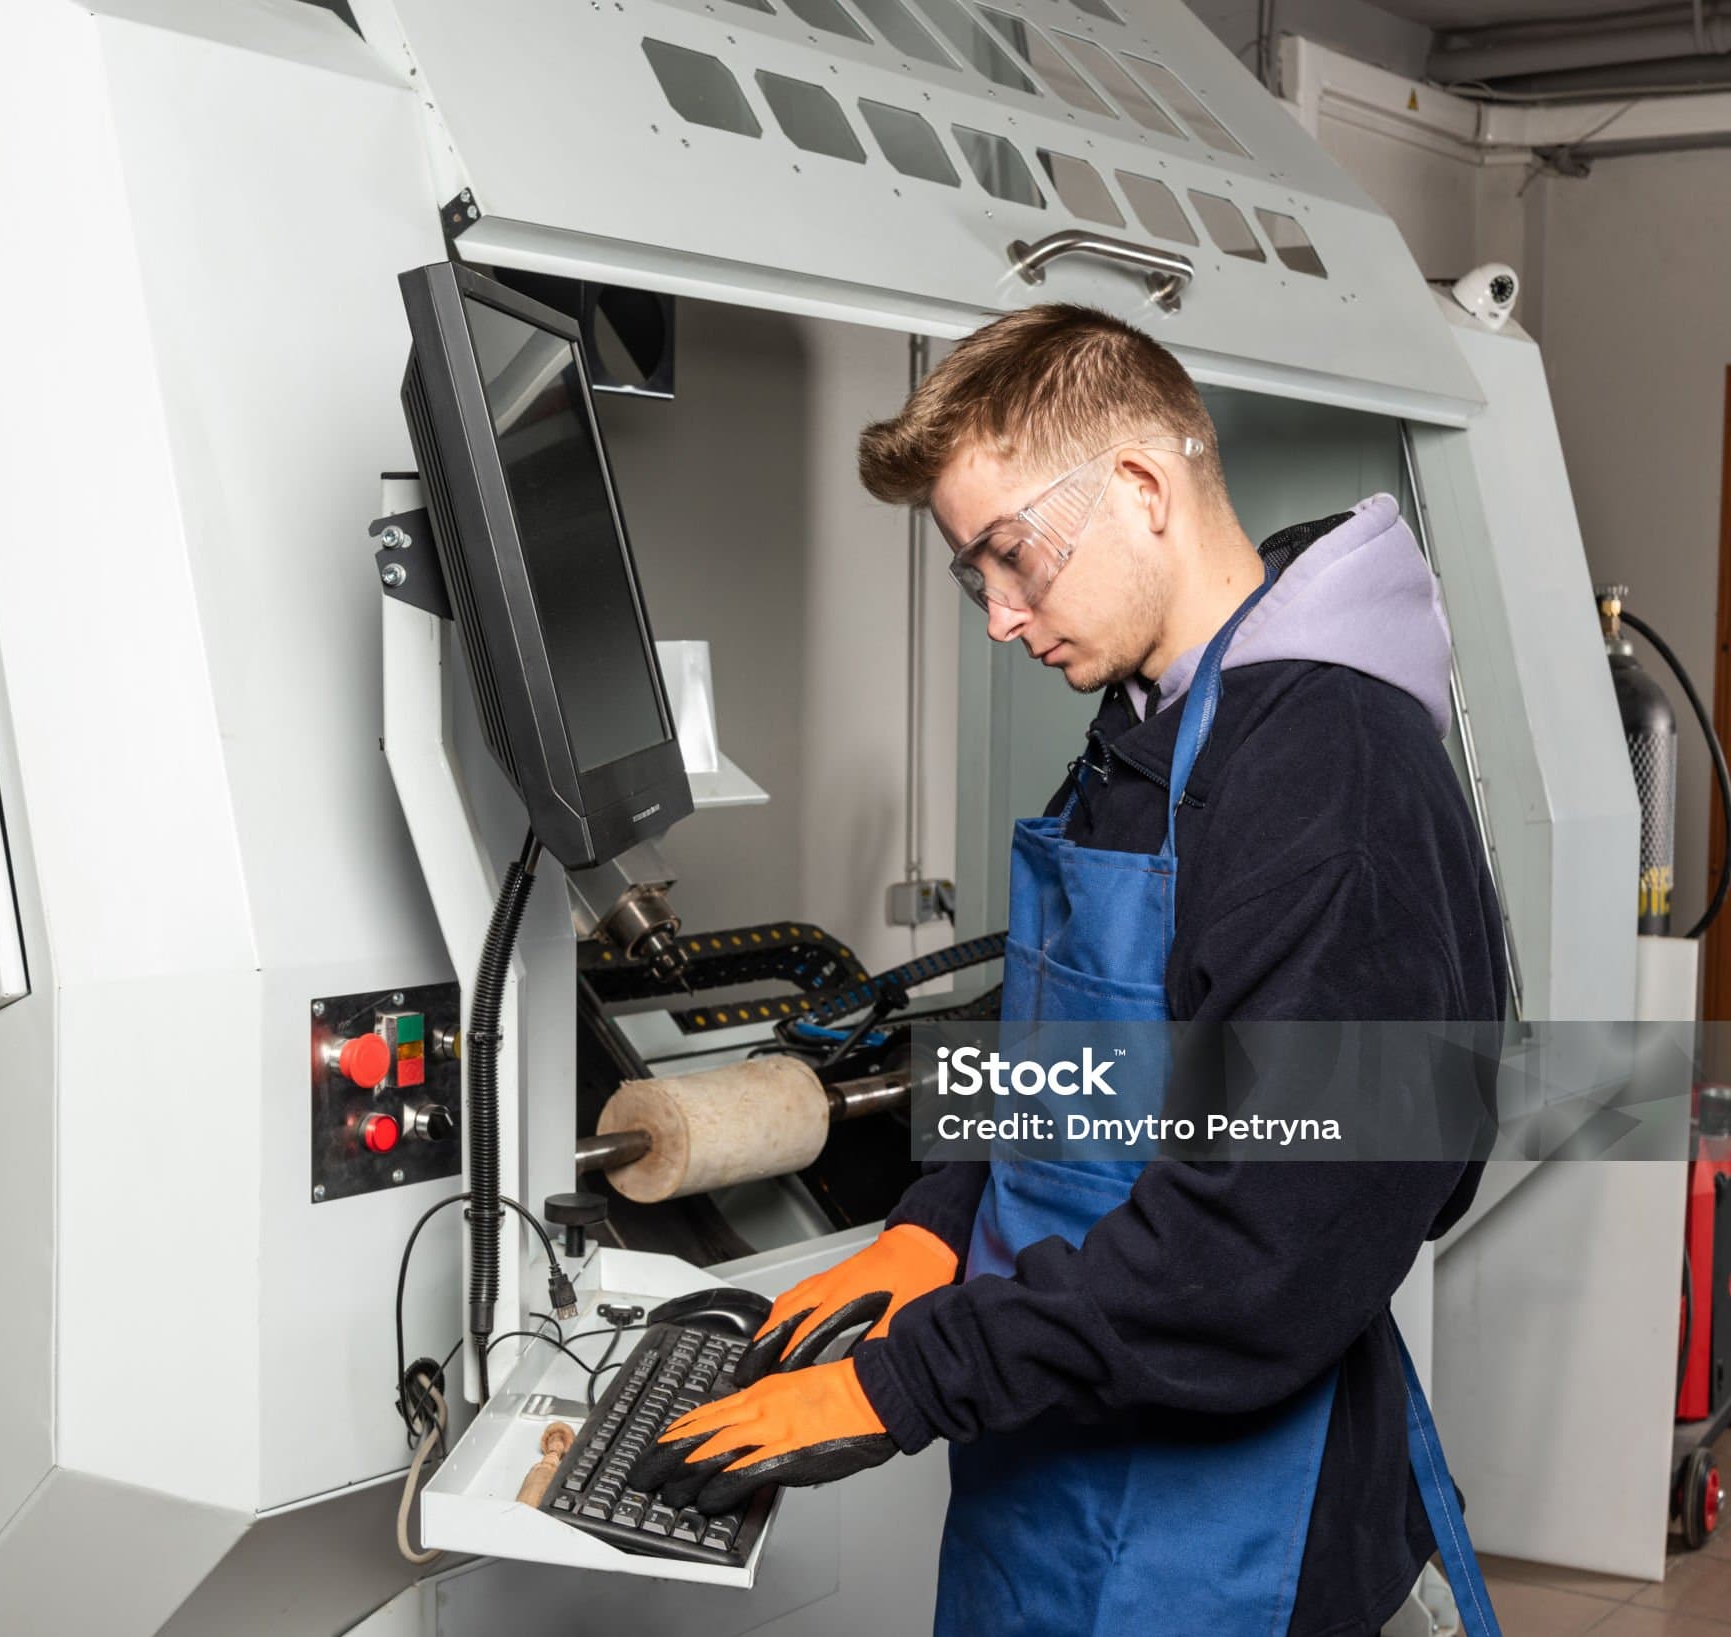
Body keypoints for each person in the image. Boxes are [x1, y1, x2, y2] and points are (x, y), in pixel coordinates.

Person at [631, 305, 1507, 1636]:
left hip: (1236, 1537)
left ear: (1143, 488)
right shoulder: (1150, 728)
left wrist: (905, 1382)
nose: (998, 615)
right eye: (971, 574)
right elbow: (1079, 1042)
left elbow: (1268, 1240)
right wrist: (937, 1215)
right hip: (1058, 1454)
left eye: (1012, 554)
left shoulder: (1328, 772)